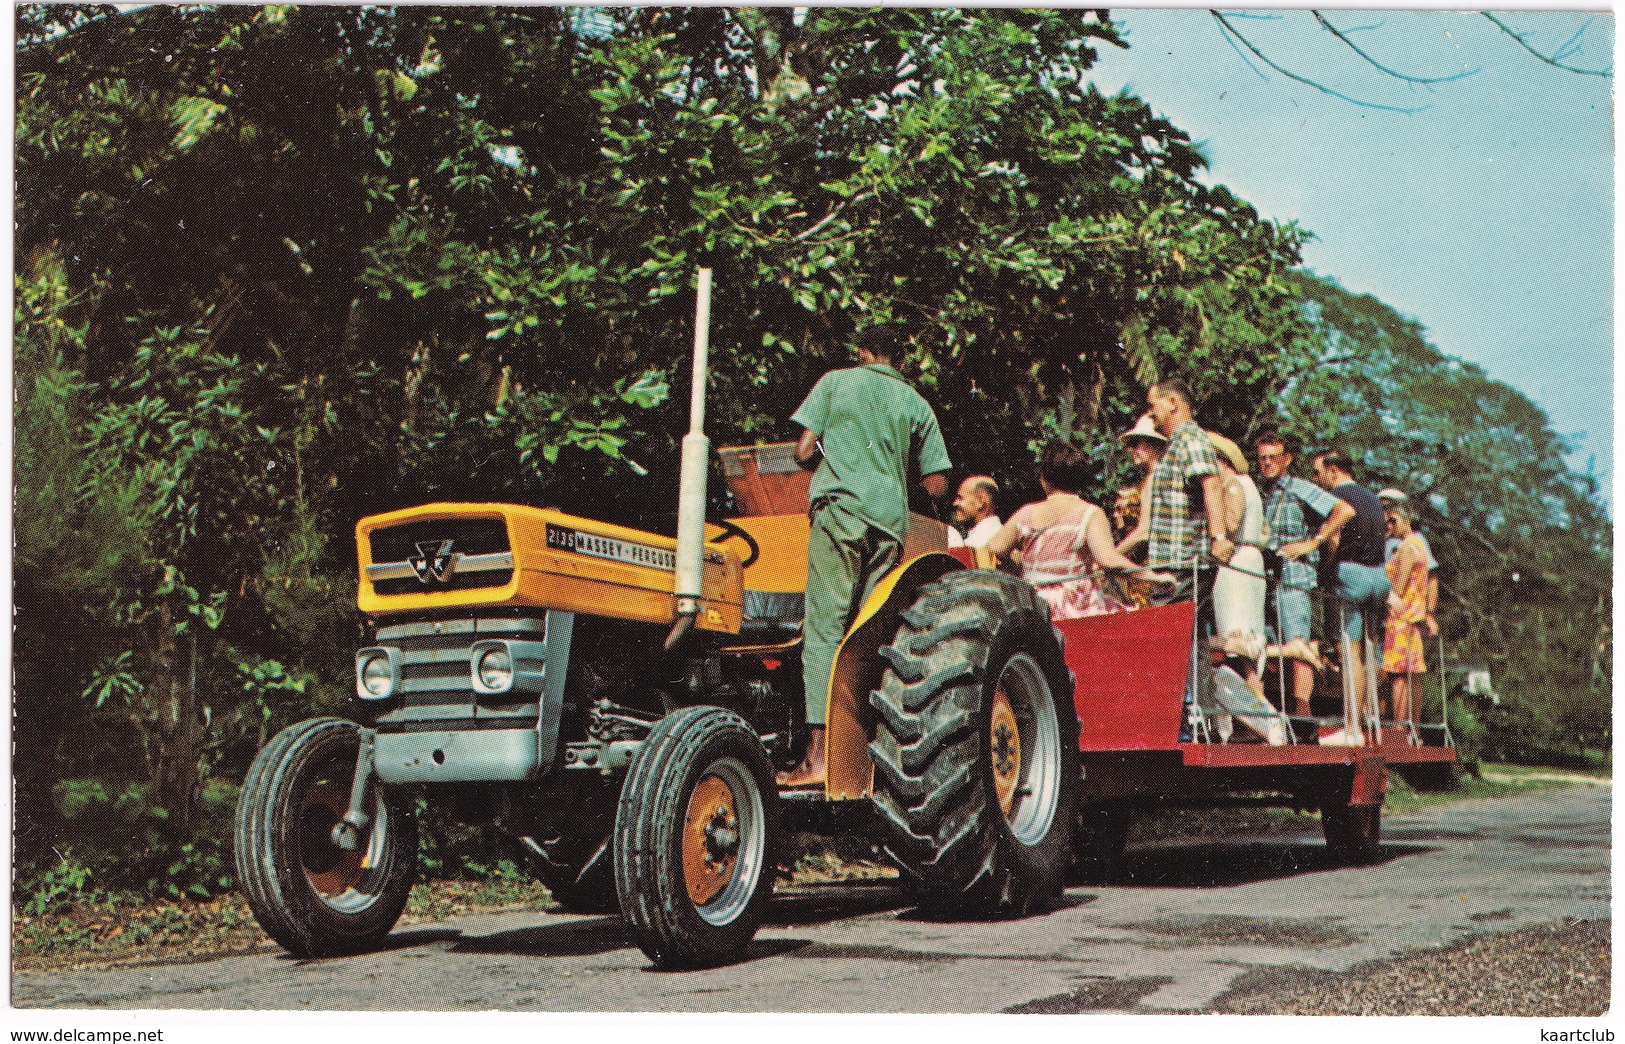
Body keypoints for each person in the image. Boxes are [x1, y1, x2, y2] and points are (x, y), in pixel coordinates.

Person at [784, 327, 951, 788]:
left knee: (824, 629)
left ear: (863, 353)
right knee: (867, 631)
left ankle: (818, 758)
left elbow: (802, 451)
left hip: (840, 512)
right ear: (899, 358)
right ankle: (866, 758)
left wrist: (827, 457)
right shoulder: (917, 404)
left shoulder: (837, 382)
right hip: (888, 521)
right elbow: (937, 484)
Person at [983, 441, 1169, 621]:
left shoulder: (1027, 512)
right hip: (1076, 608)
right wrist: (1152, 576)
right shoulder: (1090, 513)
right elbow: (1109, 561)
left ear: (1044, 480)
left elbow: (995, 548)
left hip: (1033, 607)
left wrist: (1020, 568)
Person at [1254, 430, 1355, 718]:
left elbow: (1344, 511)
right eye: (1262, 458)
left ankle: (1302, 716)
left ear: (1286, 459)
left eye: (1273, 457)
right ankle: (1268, 715)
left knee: (1300, 647)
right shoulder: (1265, 494)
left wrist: (1314, 542)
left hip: (1296, 578)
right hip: (1269, 578)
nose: (1268, 463)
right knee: (1270, 646)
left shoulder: (1299, 487)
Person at [1310, 449, 1390, 732]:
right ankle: (1369, 719)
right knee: (1370, 651)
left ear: (1333, 471)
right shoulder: (1373, 498)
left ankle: (1352, 724)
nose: (1317, 480)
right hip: (1379, 576)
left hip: (1350, 575)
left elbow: (1333, 538)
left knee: (1349, 652)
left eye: (1318, 473)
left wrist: (1324, 571)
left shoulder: (1336, 498)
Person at [1142, 379, 1230, 603]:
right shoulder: (1176, 443)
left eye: (1153, 405)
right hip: (1170, 563)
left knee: (1171, 635)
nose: (1150, 413)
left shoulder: (1190, 439)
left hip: (1183, 562)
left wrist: (1219, 537)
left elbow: (1211, 484)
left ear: (1172, 403)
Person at [1209, 433, 1267, 698]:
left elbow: (1230, 524)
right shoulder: (1250, 485)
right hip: (1252, 558)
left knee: (1237, 639)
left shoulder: (1232, 485)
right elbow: (1265, 531)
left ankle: (1254, 705)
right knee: (1249, 637)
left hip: (1235, 564)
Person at [1383, 501, 1431, 737]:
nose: (1390, 525)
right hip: (1412, 616)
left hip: (1401, 616)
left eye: (1394, 520)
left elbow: (1398, 587)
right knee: (1412, 674)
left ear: (1406, 520)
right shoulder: (1420, 545)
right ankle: (1414, 728)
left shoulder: (1407, 547)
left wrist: (1386, 597)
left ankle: (1402, 727)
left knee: (1399, 675)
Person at [1378, 487, 1439, 641]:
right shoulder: (1381, 538)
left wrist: (1430, 613)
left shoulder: (1413, 540)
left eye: (1389, 508)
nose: (1385, 514)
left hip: (1404, 613)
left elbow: (1431, 577)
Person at [1113, 412, 1168, 561]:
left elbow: (1144, 531)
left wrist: (1110, 556)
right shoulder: (1151, 479)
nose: (1131, 450)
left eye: (1135, 443)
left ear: (1155, 444)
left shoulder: (1154, 479)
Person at [946, 475, 1002, 549]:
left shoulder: (980, 542)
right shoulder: (997, 533)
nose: (955, 503)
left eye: (960, 498)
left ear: (980, 502)